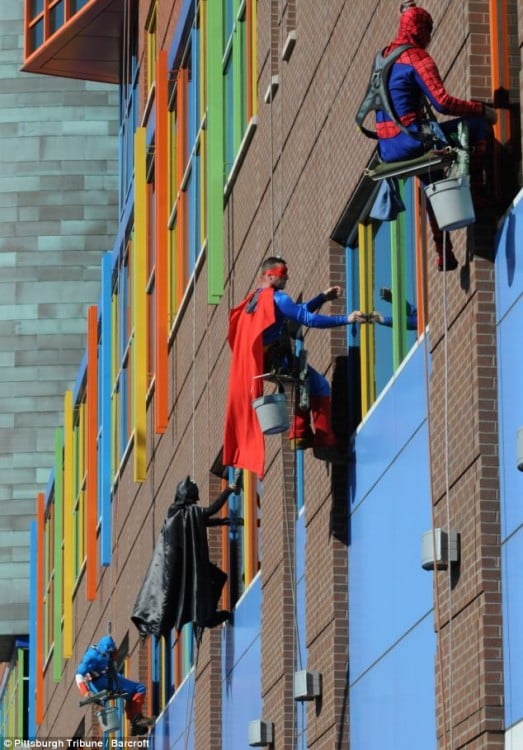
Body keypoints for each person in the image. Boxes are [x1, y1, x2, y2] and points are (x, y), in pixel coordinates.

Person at [367, 1, 497, 271]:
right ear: (420, 30)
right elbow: (442, 102)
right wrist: (481, 110)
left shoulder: (382, 59)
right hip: (413, 138)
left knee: (431, 178)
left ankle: (443, 253)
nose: (429, 38)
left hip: (389, 148)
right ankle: (478, 192)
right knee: (476, 127)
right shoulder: (416, 57)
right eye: (428, 31)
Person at [223, 257, 364, 475]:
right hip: (274, 359)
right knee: (320, 385)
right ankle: (324, 441)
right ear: (269, 276)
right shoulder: (277, 298)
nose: (286, 279)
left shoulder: (254, 300)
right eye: (282, 275)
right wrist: (347, 319)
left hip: (258, 362)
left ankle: (299, 433)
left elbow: (295, 311)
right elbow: (306, 319)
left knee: (303, 381)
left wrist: (321, 298)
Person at [131, 473, 242, 642]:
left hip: (185, 567)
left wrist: (226, 521)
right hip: (188, 568)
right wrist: (228, 490)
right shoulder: (185, 513)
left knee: (219, 577)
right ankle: (207, 616)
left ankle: (206, 615)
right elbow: (210, 511)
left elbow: (201, 520)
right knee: (218, 577)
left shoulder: (176, 513)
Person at [75, 634, 154, 736]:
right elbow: (78, 675)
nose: (113, 655)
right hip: (101, 681)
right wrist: (85, 692)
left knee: (131, 695)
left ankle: (135, 724)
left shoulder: (103, 652)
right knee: (139, 689)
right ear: (107, 650)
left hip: (107, 677)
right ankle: (137, 721)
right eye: (111, 652)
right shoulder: (91, 656)